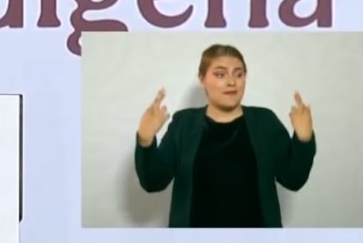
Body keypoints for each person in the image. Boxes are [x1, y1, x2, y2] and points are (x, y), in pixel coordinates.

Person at [133, 44, 316, 228]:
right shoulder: (184, 124)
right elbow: (153, 181)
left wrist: (303, 139)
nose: (231, 82)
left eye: (238, 74)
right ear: (202, 79)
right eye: (220, 74)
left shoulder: (265, 122)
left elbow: (293, 179)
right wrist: (145, 140)